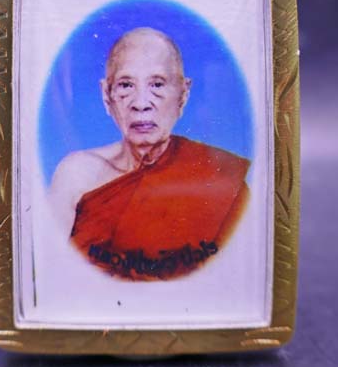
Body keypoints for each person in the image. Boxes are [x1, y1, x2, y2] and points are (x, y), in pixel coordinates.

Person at [50, 27, 250, 280]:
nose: (141, 103)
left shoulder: (221, 181)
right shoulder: (76, 176)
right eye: (126, 85)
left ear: (183, 94)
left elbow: (230, 281)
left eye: (157, 84)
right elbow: (51, 275)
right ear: (106, 95)